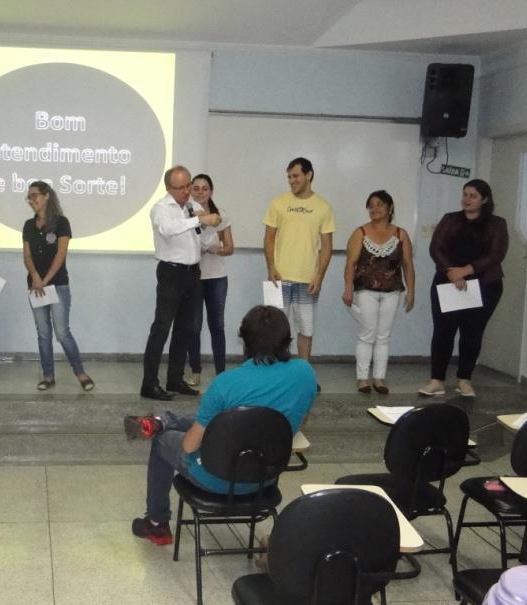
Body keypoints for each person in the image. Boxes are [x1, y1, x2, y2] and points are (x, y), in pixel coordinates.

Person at [126, 306, 317, 545]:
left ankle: (156, 524)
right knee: (213, 422)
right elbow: (299, 419)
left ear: (245, 340)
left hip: (216, 477)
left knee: (165, 440)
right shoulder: (305, 373)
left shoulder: (226, 383)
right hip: (265, 477)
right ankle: (163, 421)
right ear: (287, 340)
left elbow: (188, 447)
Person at [419, 179, 508, 398]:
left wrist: (466, 270)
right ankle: (436, 380)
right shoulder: (450, 219)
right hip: (448, 283)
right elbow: (436, 247)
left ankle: (464, 380)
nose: (466, 199)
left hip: (484, 285)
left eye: (473, 195)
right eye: (465, 194)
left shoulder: (497, 223)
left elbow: (497, 254)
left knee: (472, 333)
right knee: (443, 332)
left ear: (484, 199)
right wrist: (451, 272)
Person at [141, 166, 222, 401]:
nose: (187, 191)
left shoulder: (192, 207)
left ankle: (175, 378)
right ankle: (149, 383)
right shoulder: (160, 208)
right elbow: (168, 230)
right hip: (171, 273)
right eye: (181, 188)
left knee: (185, 329)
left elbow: (203, 238)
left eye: (189, 185)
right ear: (169, 188)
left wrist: (208, 225)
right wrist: (198, 219)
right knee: (161, 328)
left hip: (193, 273)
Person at [263, 157, 335, 371]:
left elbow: (327, 246)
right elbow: (268, 238)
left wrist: (319, 276)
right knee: (274, 329)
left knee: (306, 329)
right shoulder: (278, 202)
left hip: (308, 280)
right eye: (289, 177)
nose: (292, 181)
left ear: (309, 175)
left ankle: (304, 374)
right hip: (279, 279)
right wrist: (271, 267)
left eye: (295, 176)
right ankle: (274, 372)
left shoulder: (323, 207)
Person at [22, 181, 94, 392]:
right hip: (35, 286)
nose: (31, 200)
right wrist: (35, 276)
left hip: (57, 285)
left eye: (35, 195)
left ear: (47, 196)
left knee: (62, 332)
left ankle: (80, 373)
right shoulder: (28, 225)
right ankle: (48, 376)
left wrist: (45, 280)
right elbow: (27, 255)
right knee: (43, 333)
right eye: (29, 197)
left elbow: (61, 254)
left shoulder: (61, 222)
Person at [342, 190, 415, 394]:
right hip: (365, 290)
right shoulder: (360, 233)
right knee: (367, 334)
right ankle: (363, 378)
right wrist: (348, 287)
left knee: (383, 336)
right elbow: (351, 263)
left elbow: (408, 264)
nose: (374, 209)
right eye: (371, 205)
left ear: (390, 208)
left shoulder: (401, 234)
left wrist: (411, 291)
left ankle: (380, 378)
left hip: (392, 291)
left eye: (379, 204)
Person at [186, 174, 234, 386]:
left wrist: (218, 249)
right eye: (195, 188)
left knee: (217, 326)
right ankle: (195, 371)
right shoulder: (185, 214)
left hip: (216, 277)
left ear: (211, 191)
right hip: (193, 278)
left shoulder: (221, 215)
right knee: (193, 326)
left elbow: (230, 248)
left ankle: (221, 372)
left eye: (204, 188)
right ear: (190, 190)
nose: (200, 192)